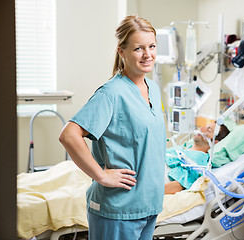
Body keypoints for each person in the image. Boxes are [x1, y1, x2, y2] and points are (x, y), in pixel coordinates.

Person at [59, 15, 166, 240]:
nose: (148, 55)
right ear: (122, 51)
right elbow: (69, 135)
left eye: (152, 46)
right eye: (138, 48)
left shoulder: (153, 89)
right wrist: (102, 176)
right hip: (118, 210)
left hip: (148, 206)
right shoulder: (111, 93)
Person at [164, 122, 230, 194]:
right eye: (205, 126)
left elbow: (180, 185)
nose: (202, 129)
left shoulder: (199, 158)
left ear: (215, 142)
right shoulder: (182, 148)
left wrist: (152, 192)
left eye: (209, 130)